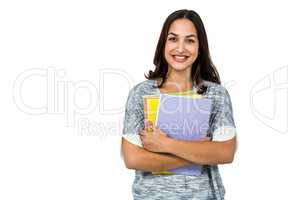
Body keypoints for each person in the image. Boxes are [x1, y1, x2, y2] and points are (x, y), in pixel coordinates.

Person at [121, 9, 237, 200]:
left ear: (200, 47)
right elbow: (133, 158)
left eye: (190, 40)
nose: (180, 48)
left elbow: (225, 152)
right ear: (163, 44)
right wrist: (199, 153)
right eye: (173, 39)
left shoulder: (216, 95)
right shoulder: (141, 93)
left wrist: (164, 143)